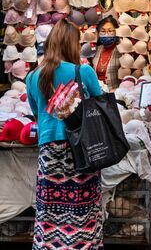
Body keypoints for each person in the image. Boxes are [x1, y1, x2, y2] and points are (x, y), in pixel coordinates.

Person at [26, 18, 104, 249]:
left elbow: (36, 114)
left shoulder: (32, 77)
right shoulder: (83, 72)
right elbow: (99, 107)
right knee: (83, 208)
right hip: (82, 149)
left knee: (49, 209)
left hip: (49, 150)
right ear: (73, 44)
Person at [92, 16, 121, 91]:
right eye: (103, 31)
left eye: (110, 31)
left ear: (116, 32)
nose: (106, 34)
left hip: (115, 95)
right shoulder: (96, 50)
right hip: (98, 94)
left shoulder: (121, 50)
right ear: (98, 33)